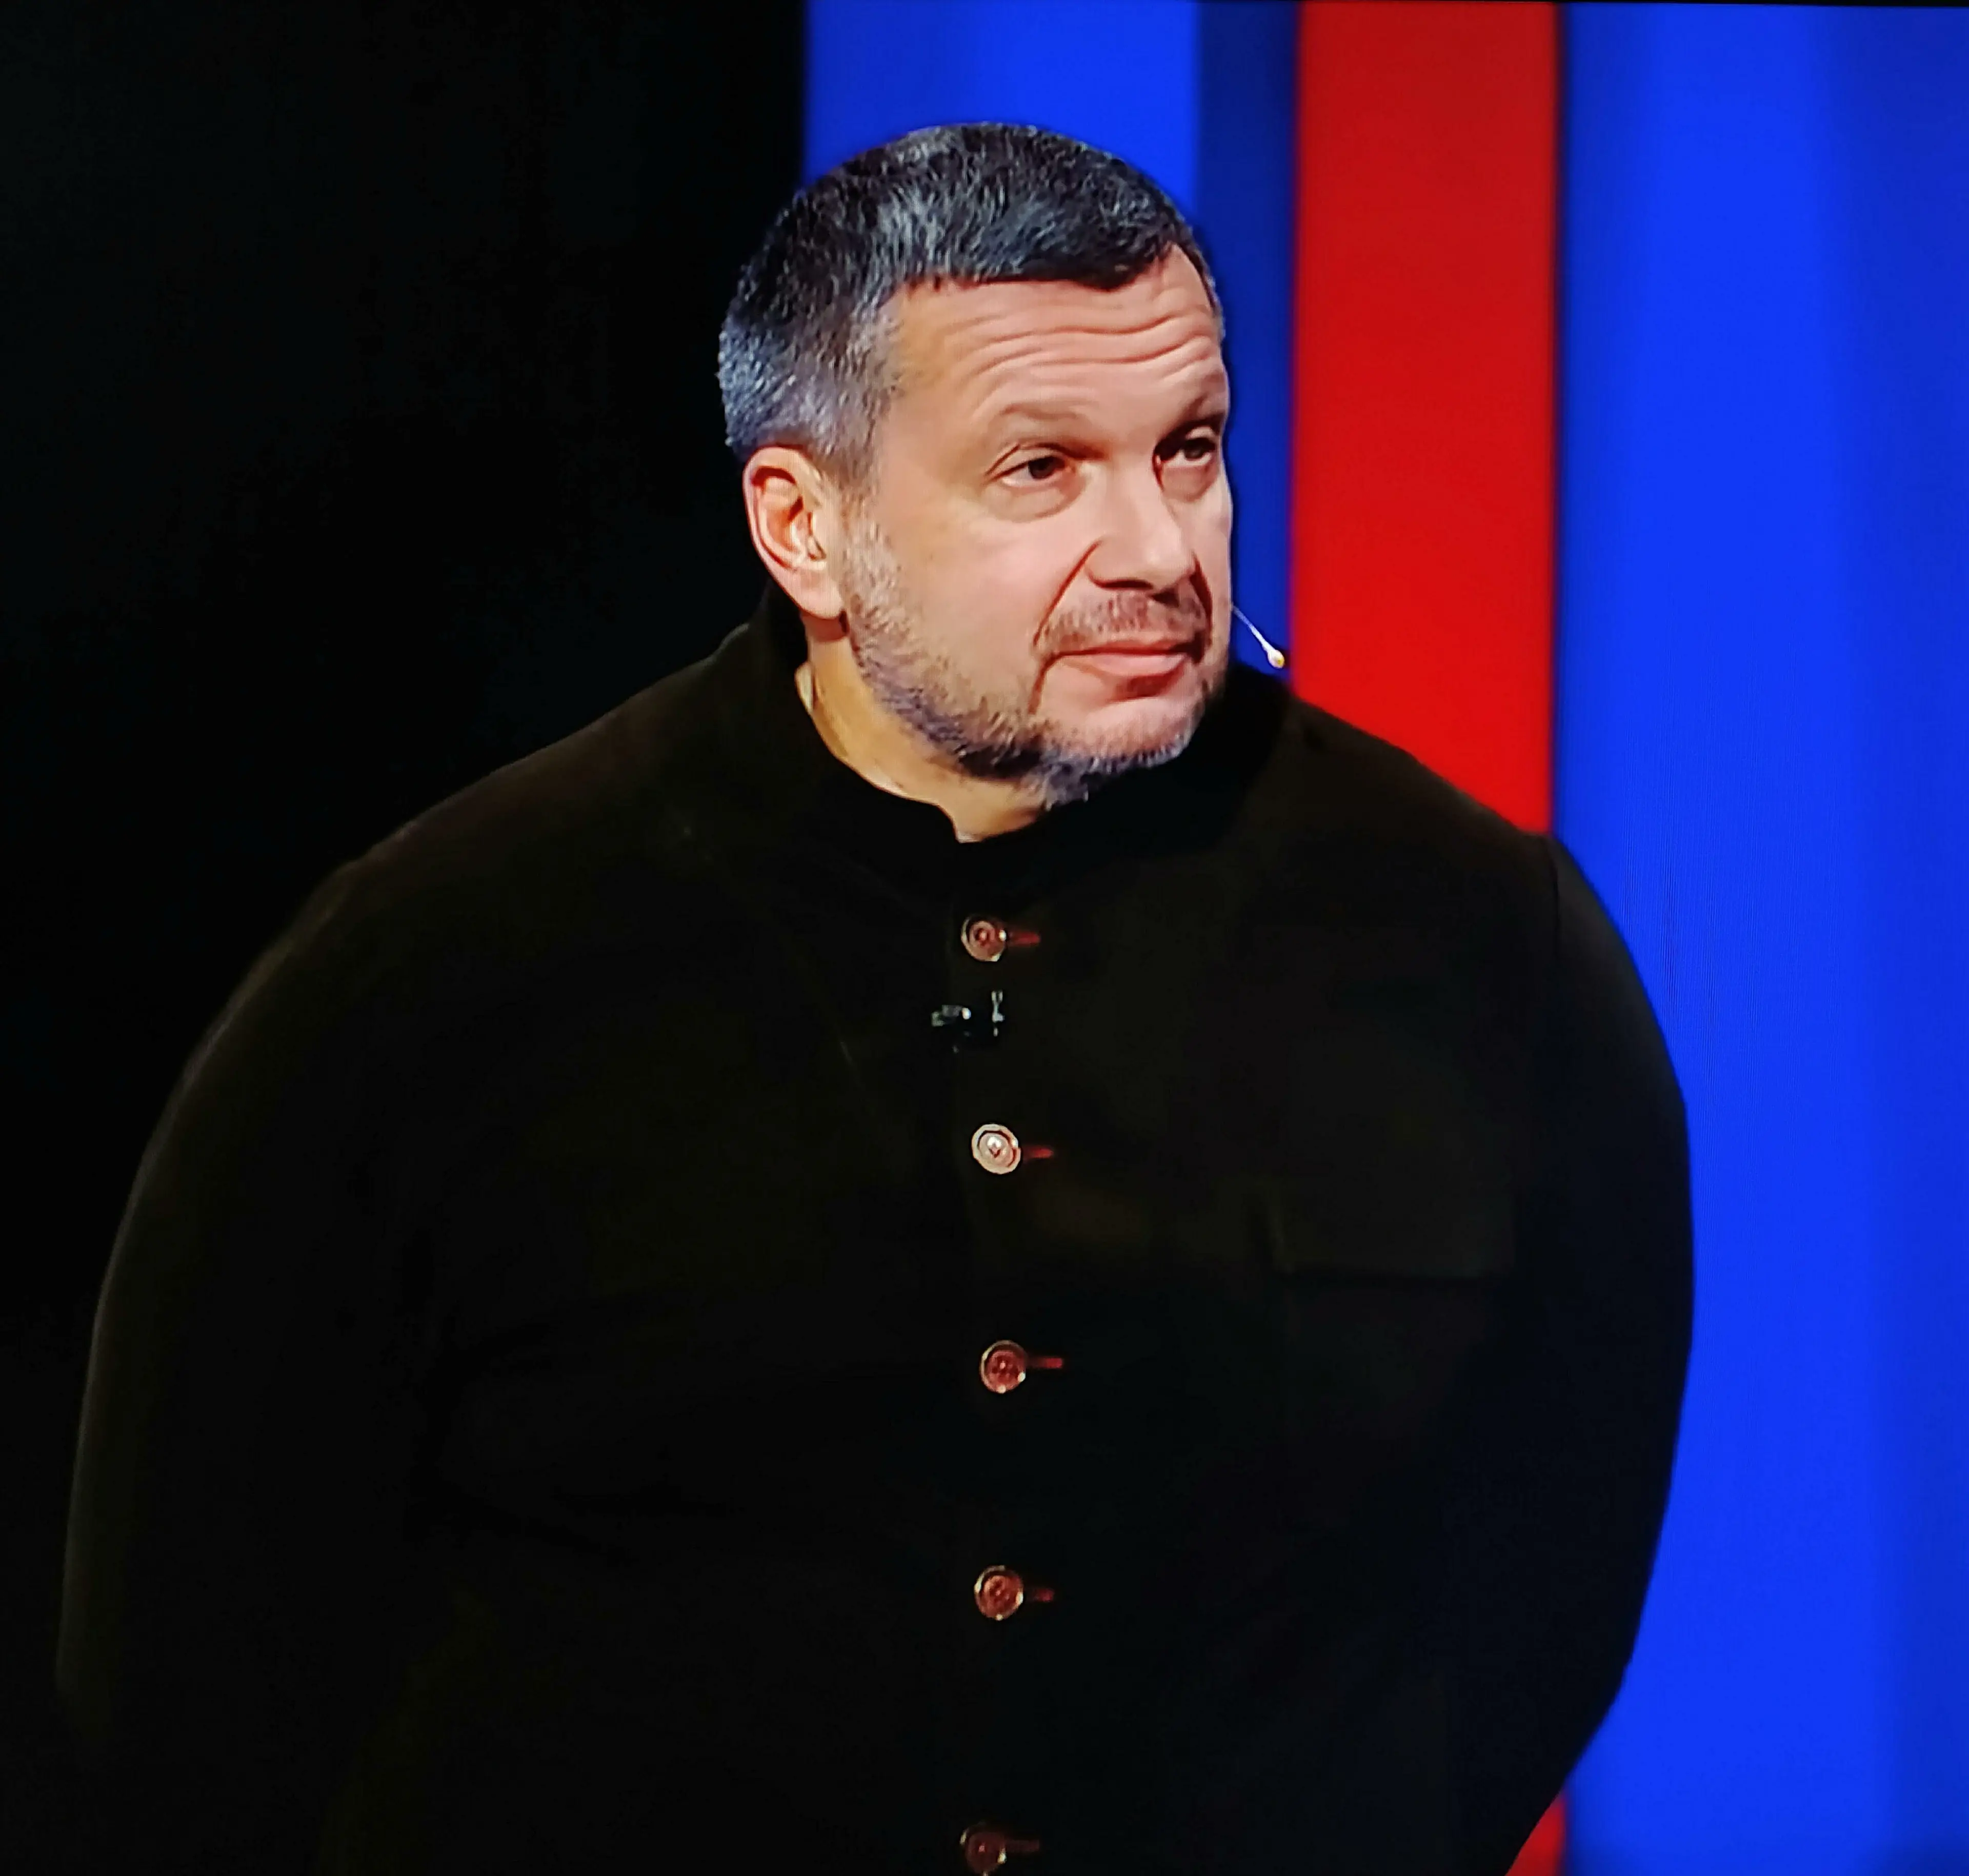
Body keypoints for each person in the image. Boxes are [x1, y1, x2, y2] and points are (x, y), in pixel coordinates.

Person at [56, 122, 1692, 1876]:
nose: (1160, 546)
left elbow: (1554, 1554)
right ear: (804, 529)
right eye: (1042, 470)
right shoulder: (431, 961)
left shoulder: (1475, 931)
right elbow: (196, 1642)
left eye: (1191, 449)